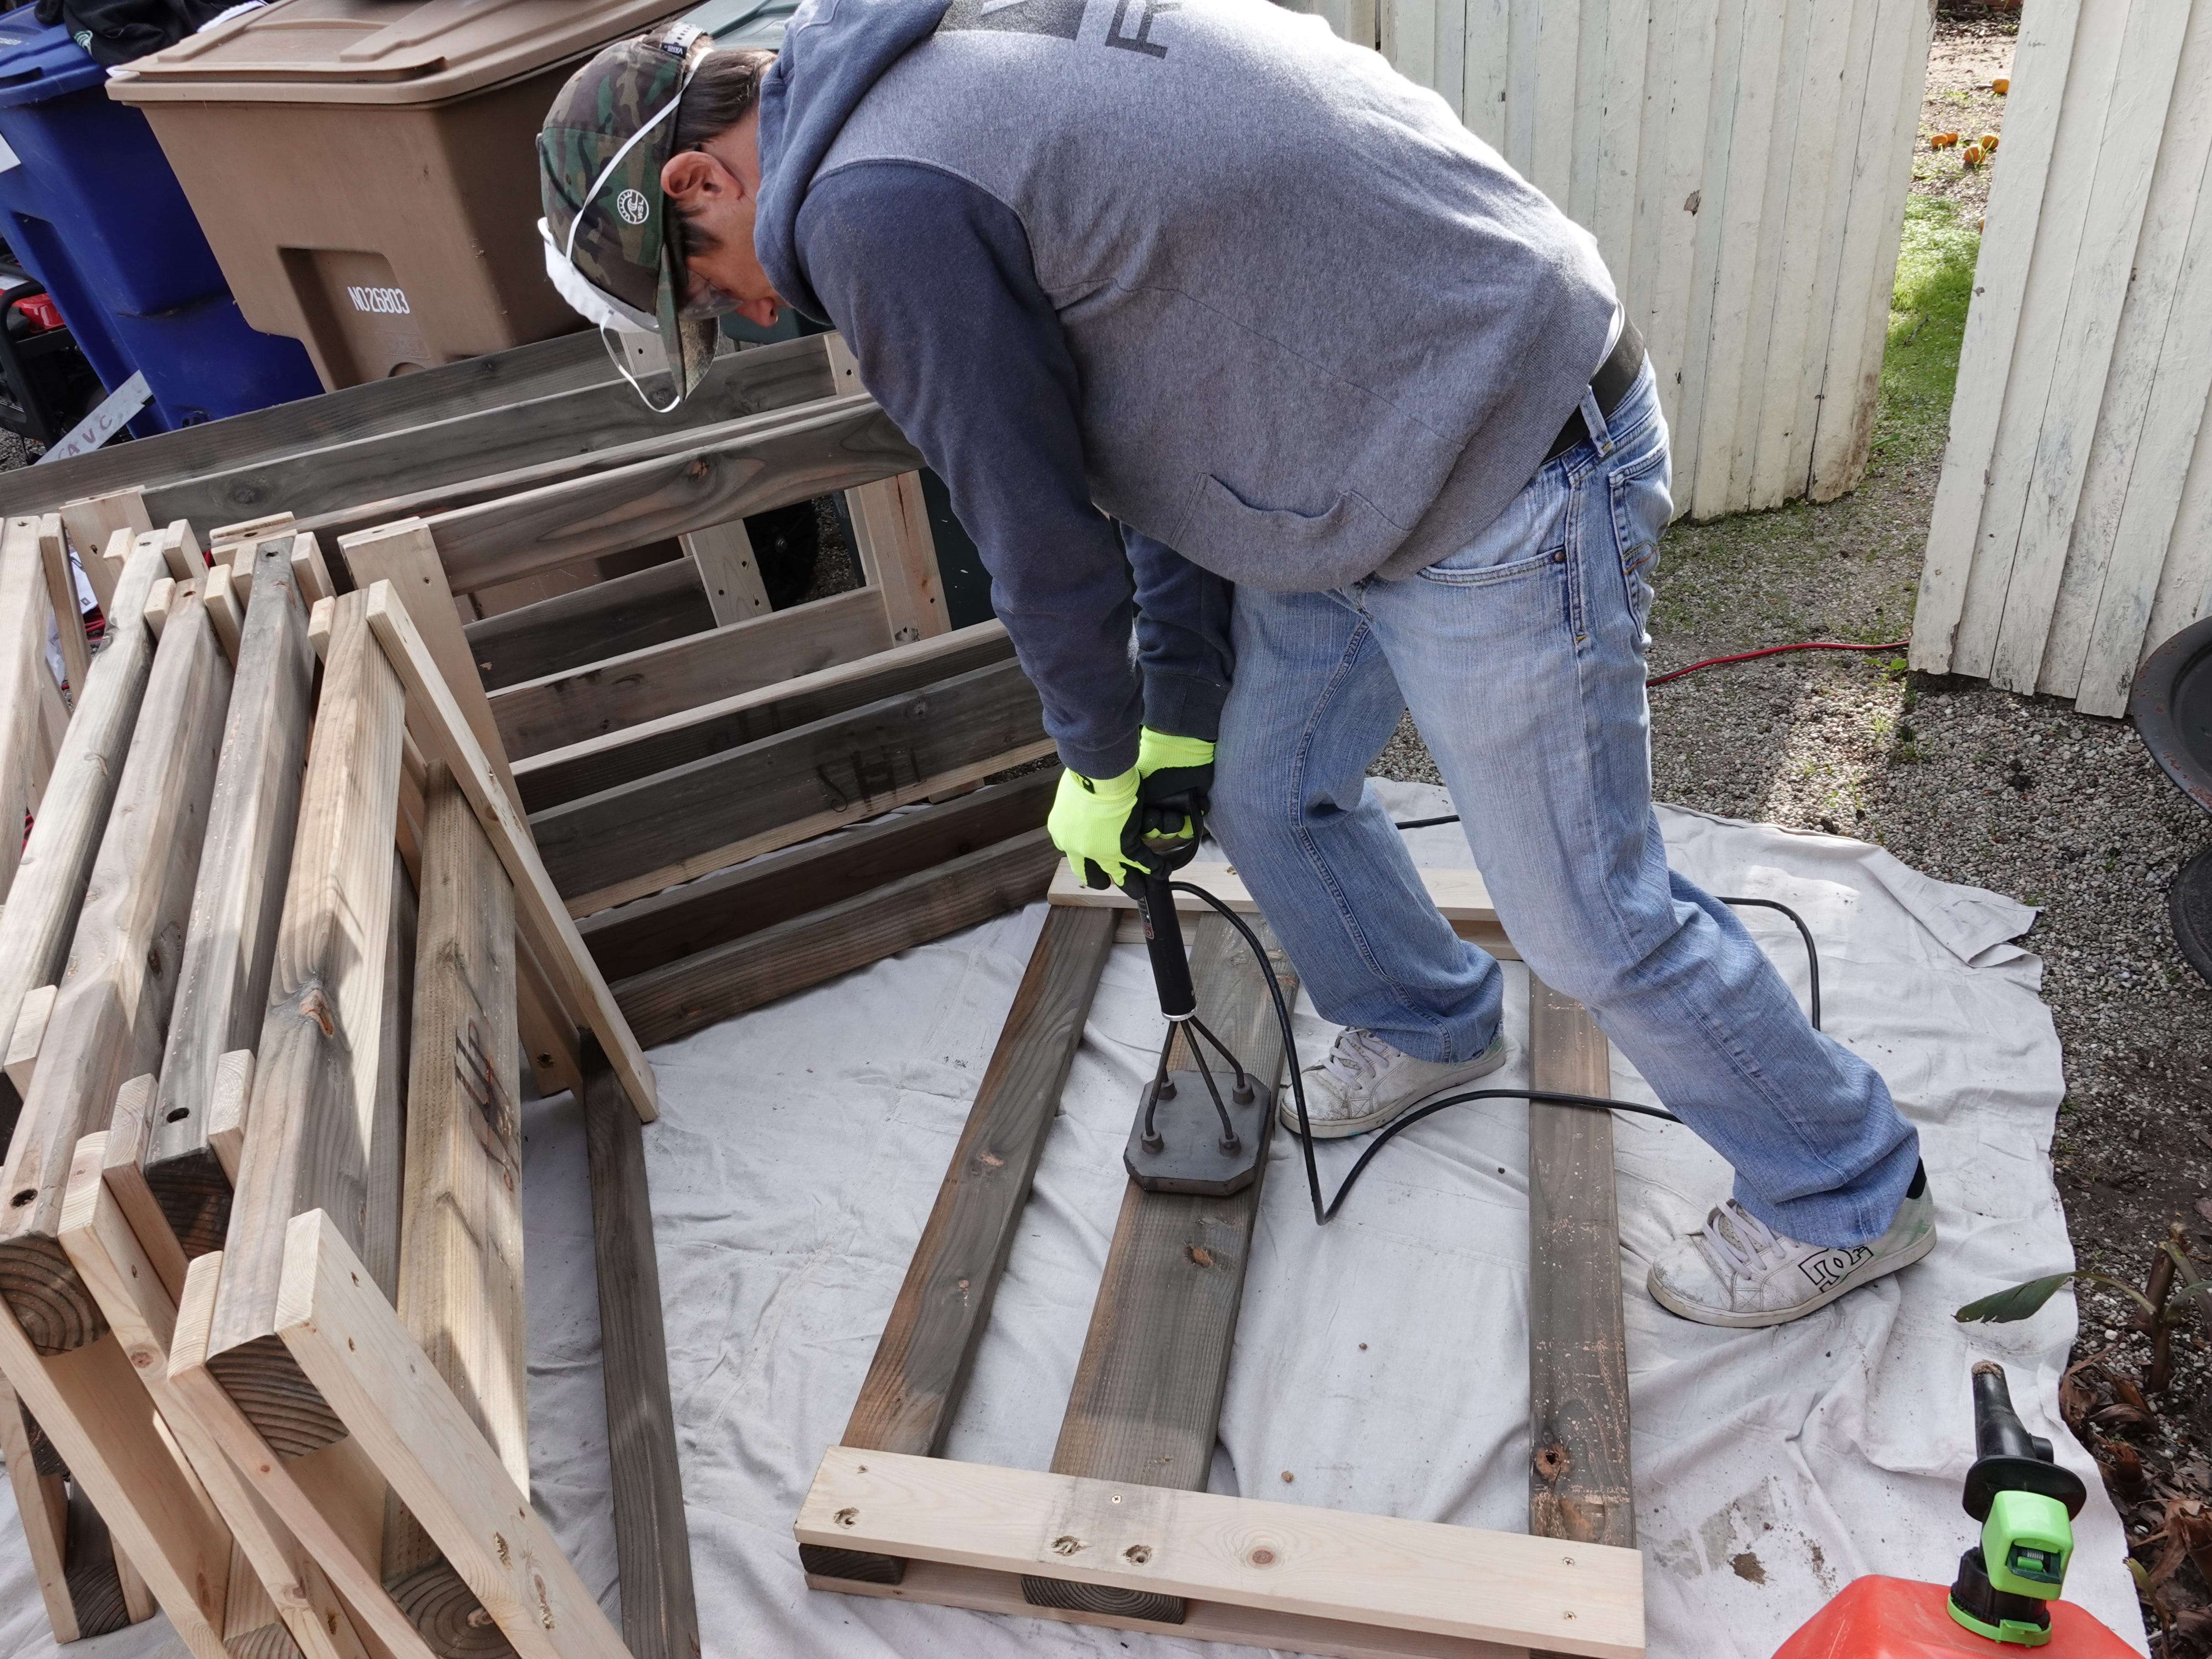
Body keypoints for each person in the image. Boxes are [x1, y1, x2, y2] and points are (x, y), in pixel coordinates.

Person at [535, 2, 1935, 1329]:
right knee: (1264, 792)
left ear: (692, 182)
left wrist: (1096, 754)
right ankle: (1429, 1021)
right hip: (1346, 448)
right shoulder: (907, 77)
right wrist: (1176, 728)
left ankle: (1847, 1190)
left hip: (1498, 454)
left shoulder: (872, 204)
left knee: (1581, 915)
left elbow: (1033, 526)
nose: (753, 316)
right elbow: (1143, 440)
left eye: (711, 293)